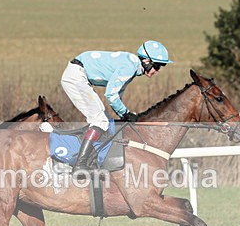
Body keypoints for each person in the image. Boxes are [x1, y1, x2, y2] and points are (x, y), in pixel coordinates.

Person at [60, 40, 173, 172]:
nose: (157, 71)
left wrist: (126, 115)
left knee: (104, 122)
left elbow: (117, 97)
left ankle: (89, 158)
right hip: (76, 77)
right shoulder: (129, 67)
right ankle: (79, 165)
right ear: (147, 61)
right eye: (157, 66)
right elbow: (111, 95)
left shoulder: (132, 66)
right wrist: (127, 114)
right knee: (100, 122)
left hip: (79, 75)